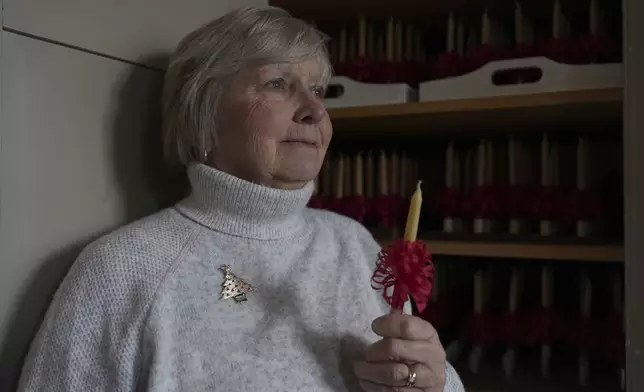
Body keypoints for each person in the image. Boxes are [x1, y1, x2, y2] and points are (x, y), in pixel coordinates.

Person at [18, 6, 465, 392]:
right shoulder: (119, 271)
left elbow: (428, 378)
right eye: (277, 83)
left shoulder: (354, 244)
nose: (315, 111)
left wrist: (433, 381)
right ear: (204, 111)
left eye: (318, 90)